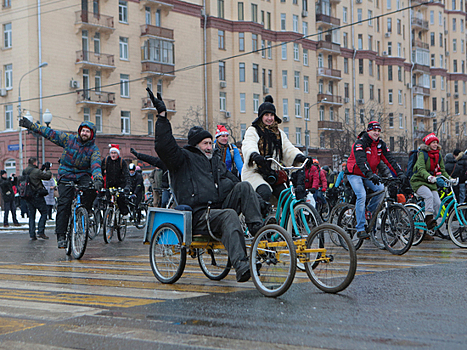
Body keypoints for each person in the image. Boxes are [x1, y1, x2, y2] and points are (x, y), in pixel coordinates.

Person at [151, 88, 263, 283]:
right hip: (199, 214)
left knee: (244, 187)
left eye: (211, 142)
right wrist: (162, 117)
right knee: (229, 215)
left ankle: (259, 231)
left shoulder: (214, 161)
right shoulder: (183, 159)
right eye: (205, 143)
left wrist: (258, 201)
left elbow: (232, 181)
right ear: (196, 145)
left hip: (216, 209)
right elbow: (164, 147)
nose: (210, 147)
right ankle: (242, 265)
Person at [19, 118, 103, 248]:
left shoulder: (94, 149)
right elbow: (50, 133)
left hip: (82, 175)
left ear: (92, 134)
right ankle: (61, 235)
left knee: (92, 188)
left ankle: (85, 210)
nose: (85, 133)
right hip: (66, 174)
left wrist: (98, 179)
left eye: (88, 132)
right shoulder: (69, 140)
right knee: (64, 203)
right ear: (80, 131)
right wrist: (31, 126)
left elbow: (96, 164)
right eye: (83, 131)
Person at [346, 121, 406, 239]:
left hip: (368, 174)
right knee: (361, 195)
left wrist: (400, 173)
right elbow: (361, 160)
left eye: (378, 131)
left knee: (381, 190)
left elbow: (390, 160)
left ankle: (369, 211)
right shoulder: (360, 143)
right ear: (368, 131)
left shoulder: (380, 145)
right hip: (354, 173)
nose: (376, 133)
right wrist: (370, 174)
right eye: (374, 130)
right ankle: (360, 228)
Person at [241, 95, 307, 202]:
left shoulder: (279, 133)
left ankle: (285, 218)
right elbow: (249, 144)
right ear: (261, 116)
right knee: (264, 192)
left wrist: (300, 157)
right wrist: (254, 155)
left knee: (287, 198)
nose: (269, 118)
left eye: (271, 115)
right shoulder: (253, 130)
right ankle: (258, 218)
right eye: (266, 115)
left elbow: (287, 148)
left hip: (272, 173)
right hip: (255, 172)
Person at [410, 133, 455, 238]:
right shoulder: (422, 154)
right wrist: (428, 177)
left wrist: (450, 179)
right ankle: (428, 219)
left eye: (436, 142)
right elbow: (420, 169)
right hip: (419, 181)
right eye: (433, 142)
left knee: (438, 203)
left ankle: (431, 226)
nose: (435, 144)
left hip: (431, 183)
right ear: (428, 144)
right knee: (428, 196)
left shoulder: (438, 155)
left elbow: (442, 170)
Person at [23, 158, 52, 240]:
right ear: (35, 163)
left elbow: (34, 175)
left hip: (28, 196)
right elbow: (47, 176)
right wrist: (48, 169)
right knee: (44, 212)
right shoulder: (36, 171)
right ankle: (41, 231)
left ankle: (32, 234)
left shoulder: (25, 170)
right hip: (37, 195)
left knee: (32, 216)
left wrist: (41, 169)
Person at [102, 144, 131, 217]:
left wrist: (127, 186)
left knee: (120, 199)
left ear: (118, 154)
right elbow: (100, 172)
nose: (113, 155)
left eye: (115, 153)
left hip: (120, 185)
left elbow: (126, 175)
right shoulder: (106, 161)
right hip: (109, 185)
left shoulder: (121, 162)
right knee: (106, 201)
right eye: (112, 153)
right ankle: (107, 219)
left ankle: (123, 215)